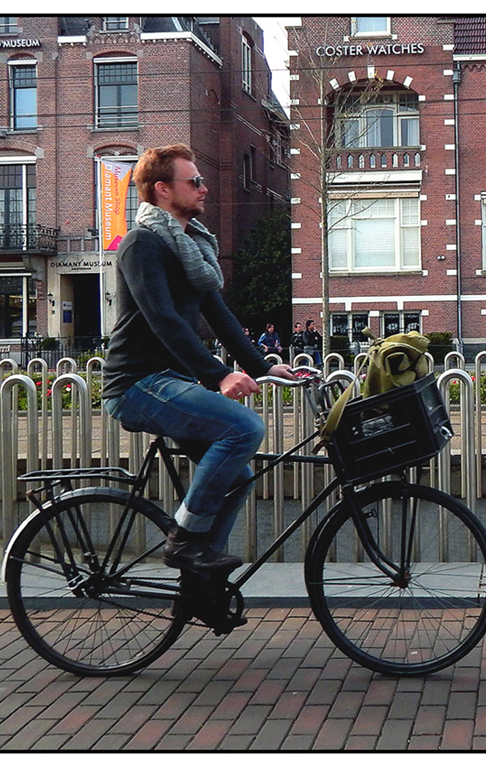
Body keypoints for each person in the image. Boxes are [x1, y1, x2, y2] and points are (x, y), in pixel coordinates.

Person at [102, 144, 297, 573]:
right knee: (244, 427)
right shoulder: (142, 244)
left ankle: (201, 576)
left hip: (168, 378)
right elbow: (163, 320)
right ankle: (185, 540)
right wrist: (219, 375)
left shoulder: (188, 246)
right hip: (136, 384)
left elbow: (218, 313)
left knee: (238, 475)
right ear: (163, 190)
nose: (204, 189)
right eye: (194, 182)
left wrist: (263, 366)